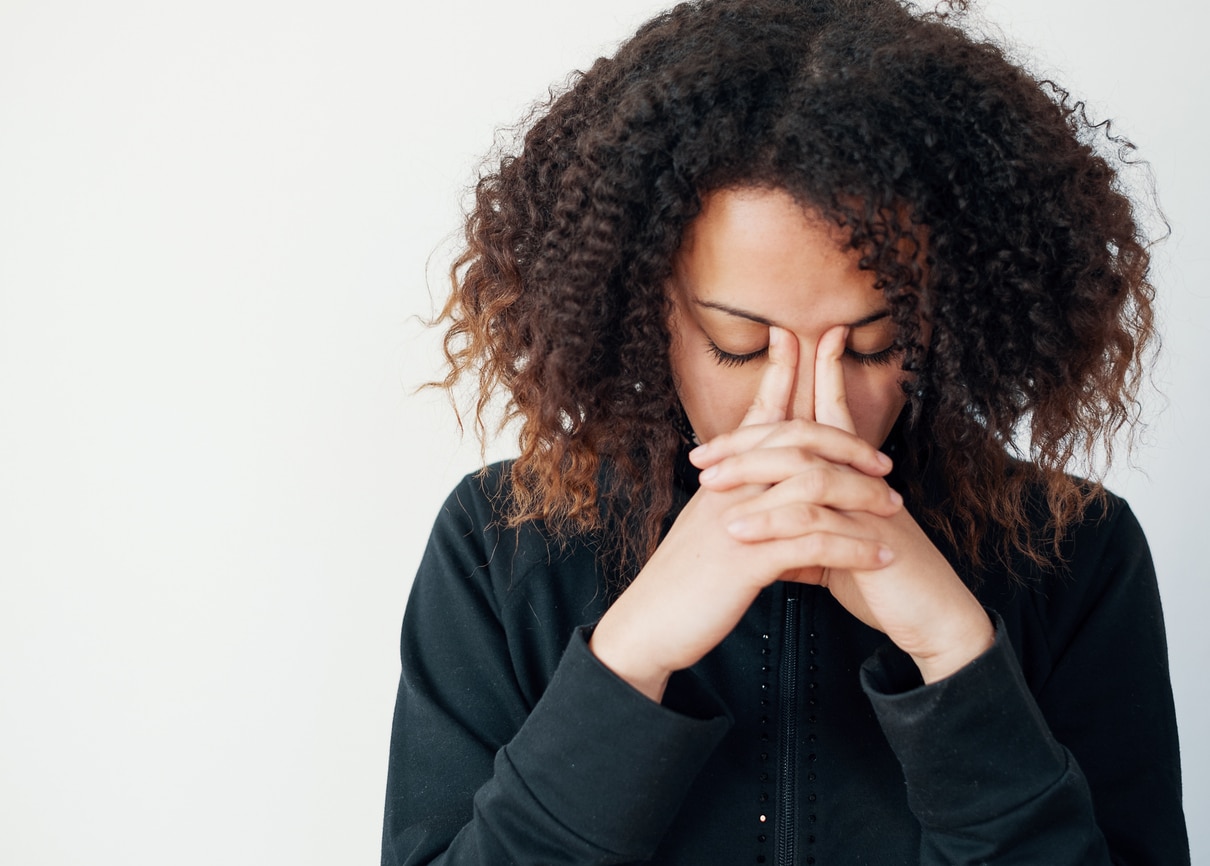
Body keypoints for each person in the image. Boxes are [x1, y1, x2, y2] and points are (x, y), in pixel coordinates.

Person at [382, 0, 1189, 862]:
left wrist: (959, 656)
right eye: (741, 345)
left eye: (874, 344)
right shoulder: (502, 544)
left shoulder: (1073, 553)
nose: (806, 410)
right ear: (647, 307)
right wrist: (629, 658)